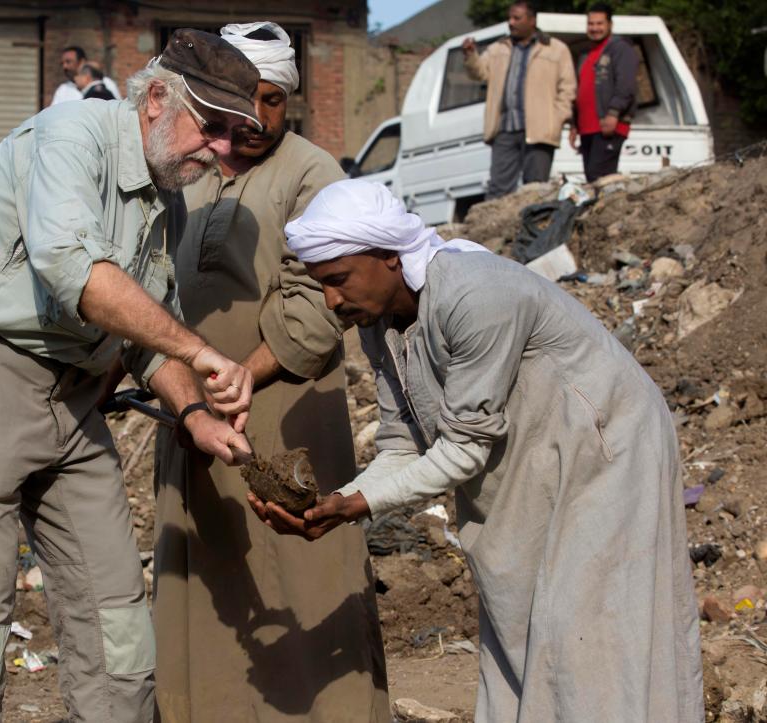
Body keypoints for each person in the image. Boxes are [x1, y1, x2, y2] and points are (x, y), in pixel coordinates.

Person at [0, 29, 263, 723]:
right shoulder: (72, 137)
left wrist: (195, 413)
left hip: (72, 397)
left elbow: (147, 334)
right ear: (156, 99)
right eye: (211, 127)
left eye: (231, 134)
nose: (220, 149)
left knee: (117, 624)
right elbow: (73, 272)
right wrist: (201, 350)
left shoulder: (167, 201)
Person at [251, 179, 704, 721]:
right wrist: (338, 503)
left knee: (590, 626)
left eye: (339, 280)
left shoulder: (473, 292)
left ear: (390, 257)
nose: (332, 301)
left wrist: (358, 506)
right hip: (529, 459)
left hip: (606, 450)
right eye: (322, 285)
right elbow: (404, 446)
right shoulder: (379, 327)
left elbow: (461, 451)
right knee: (520, 621)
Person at [151, 22, 389, 722]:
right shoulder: (190, 168)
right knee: (207, 585)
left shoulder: (312, 173)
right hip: (194, 416)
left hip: (283, 414)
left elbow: (318, 307)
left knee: (298, 581)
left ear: (294, 99)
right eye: (243, 101)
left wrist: (236, 376)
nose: (257, 118)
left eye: (273, 100)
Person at [461, 1, 575, 199]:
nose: (511, 23)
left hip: (540, 130)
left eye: (517, 18)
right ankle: (494, 230)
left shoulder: (555, 49)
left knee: (536, 190)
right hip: (504, 129)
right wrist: (470, 55)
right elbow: (479, 73)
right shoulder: (498, 48)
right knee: (498, 189)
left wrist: (556, 119)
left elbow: (568, 87)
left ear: (532, 21)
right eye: (510, 18)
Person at [569, 3, 639, 182]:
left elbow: (626, 85)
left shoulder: (620, 49)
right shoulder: (587, 54)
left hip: (607, 126)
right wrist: (574, 124)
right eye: (591, 24)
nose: (594, 28)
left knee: (601, 177)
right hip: (587, 128)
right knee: (592, 179)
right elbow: (581, 91)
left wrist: (613, 113)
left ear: (610, 25)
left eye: (599, 23)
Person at [51, 45, 121, 105]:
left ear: (82, 61)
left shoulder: (106, 83)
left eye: (68, 62)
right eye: (62, 63)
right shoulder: (62, 89)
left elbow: (116, 110)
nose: (64, 67)